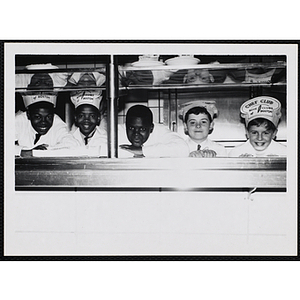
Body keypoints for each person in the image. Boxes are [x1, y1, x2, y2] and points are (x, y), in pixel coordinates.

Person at [15, 73, 79, 157]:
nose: (43, 122)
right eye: (37, 117)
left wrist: (43, 151)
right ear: (28, 115)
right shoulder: (19, 120)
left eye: (49, 117)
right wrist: (25, 152)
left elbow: (72, 144)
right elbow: (4, 145)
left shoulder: (56, 121)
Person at [119, 105, 189, 158]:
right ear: (126, 126)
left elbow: (183, 149)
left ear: (151, 128)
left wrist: (143, 151)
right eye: (131, 128)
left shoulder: (160, 131)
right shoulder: (117, 131)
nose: (136, 134)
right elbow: (108, 152)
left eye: (142, 129)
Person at [70, 87, 107, 156]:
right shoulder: (68, 138)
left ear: (98, 118)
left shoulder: (107, 139)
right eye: (81, 116)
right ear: (75, 118)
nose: (86, 120)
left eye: (92, 116)